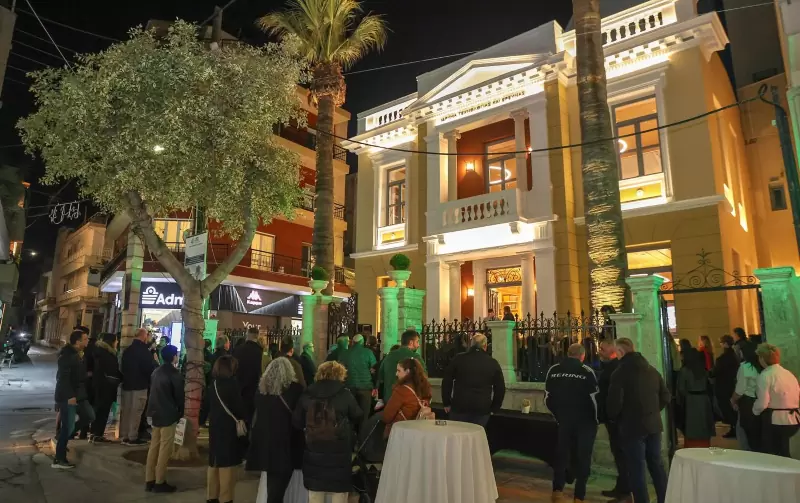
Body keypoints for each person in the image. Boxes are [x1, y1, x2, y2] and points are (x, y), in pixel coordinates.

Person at [607, 338, 669, 503]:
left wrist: (615, 418)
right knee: (656, 465)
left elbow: (614, 404)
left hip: (632, 427)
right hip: (653, 425)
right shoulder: (652, 370)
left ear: (620, 352)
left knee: (637, 469)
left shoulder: (619, 373)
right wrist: (652, 411)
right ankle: (665, 498)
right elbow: (665, 396)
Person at [293, 361, 363, 503]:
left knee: (315, 494)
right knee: (339, 493)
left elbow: (297, 421)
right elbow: (358, 415)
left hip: (314, 450)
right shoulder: (345, 394)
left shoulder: (307, 393)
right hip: (339, 450)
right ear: (340, 375)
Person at [544, 343, 599, 503]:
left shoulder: (553, 370)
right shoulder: (587, 371)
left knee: (561, 456)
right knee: (583, 457)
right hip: (585, 423)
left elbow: (547, 398)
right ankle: (579, 496)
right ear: (583, 356)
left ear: (568, 353)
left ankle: (557, 491)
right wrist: (596, 419)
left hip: (564, 421)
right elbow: (594, 399)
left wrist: (558, 416)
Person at [247, 358, 305, 503]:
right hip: (286, 446)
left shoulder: (261, 391)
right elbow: (300, 418)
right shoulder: (295, 390)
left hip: (265, 445)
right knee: (277, 491)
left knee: (273, 486)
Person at [442, 334, 505, 427]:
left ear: (471, 344)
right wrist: (494, 408)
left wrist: (446, 402)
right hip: (482, 408)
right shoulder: (492, 363)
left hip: (460, 406)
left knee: (458, 434)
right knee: (476, 434)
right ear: (485, 346)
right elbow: (500, 388)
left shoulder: (459, 359)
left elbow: (447, 380)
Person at [52, 330, 94, 469]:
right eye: (85, 339)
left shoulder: (80, 354)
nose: (88, 341)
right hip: (68, 396)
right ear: (77, 341)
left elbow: (78, 375)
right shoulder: (67, 356)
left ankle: (63, 436)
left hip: (80, 394)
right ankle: (59, 459)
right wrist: (70, 396)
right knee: (68, 427)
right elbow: (63, 379)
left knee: (89, 416)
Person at [144, 345, 183, 493]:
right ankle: (160, 481)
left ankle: (149, 479)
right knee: (165, 449)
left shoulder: (156, 372)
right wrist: (179, 412)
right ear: (173, 357)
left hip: (155, 412)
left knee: (154, 446)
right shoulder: (174, 374)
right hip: (168, 414)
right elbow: (179, 396)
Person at [208, 355, 247, 503]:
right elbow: (239, 409)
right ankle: (225, 499)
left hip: (214, 428)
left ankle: (212, 497)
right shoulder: (233, 385)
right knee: (227, 467)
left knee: (214, 463)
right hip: (228, 430)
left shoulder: (213, 384)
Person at [752, 343, 800, 457]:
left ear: (762, 358)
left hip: (776, 420)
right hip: (794, 419)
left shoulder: (765, 375)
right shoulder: (788, 373)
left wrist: (754, 411)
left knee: (774, 455)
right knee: (787, 454)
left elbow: (763, 402)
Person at [596, 339, 628, 501]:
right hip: (612, 418)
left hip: (617, 419)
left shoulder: (615, 369)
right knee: (618, 454)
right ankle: (621, 487)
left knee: (621, 454)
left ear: (613, 351)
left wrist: (612, 415)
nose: (599, 351)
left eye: (603, 349)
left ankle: (625, 490)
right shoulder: (609, 367)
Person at [121, 327, 158, 446]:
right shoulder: (144, 352)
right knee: (136, 411)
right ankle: (132, 437)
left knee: (127, 411)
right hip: (140, 385)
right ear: (143, 336)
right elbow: (150, 369)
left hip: (127, 385)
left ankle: (125, 435)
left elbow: (123, 367)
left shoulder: (127, 351)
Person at [382, 358, 432, 437]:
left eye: (399, 371)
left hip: (400, 433)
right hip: (416, 432)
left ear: (407, 371)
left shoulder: (401, 390)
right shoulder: (423, 387)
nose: (396, 374)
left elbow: (386, 417)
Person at [676, 348, 715, 448]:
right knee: (704, 425)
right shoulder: (703, 370)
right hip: (704, 399)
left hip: (691, 400)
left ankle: (692, 447)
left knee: (692, 427)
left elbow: (681, 389)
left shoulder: (685, 371)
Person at [377, 330, 426, 404]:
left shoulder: (389, 356)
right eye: (417, 342)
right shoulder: (416, 357)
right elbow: (424, 379)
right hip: (408, 401)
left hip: (389, 399)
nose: (418, 345)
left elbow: (380, 377)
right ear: (411, 342)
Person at [90, 333, 122, 443]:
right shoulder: (108, 354)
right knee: (103, 412)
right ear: (111, 342)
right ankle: (98, 435)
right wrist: (122, 377)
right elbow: (112, 371)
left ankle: (94, 433)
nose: (117, 342)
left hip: (98, 385)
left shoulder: (98, 351)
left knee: (97, 410)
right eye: (116, 340)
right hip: (106, 387)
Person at [339, 334, 377, 426]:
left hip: (349, 387)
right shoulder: (368, 352)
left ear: (353, 342)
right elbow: (374, 369)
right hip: (365, 387)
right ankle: (362, 433)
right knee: (364, 415)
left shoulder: (345, 353)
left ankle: (352, 433)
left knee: (351, 415)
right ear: (362, 342)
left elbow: (340, 370)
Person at [731, 342, 762, 451]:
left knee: (744, 433)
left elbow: (740, 390)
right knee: (757, 434)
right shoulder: (762, 366)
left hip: (747, 403)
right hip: (761, 401)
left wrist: (733, 400)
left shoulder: (745, 367)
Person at [230, 326, 264, 422]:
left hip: (238, 388)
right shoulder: (260, 352)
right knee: (250, 418)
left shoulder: (237, 350)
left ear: (247, 335)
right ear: (257, 336)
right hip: (253, 390)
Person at [712, 335, 739, 438]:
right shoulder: (734, 356)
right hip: (731, 384)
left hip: (723, 386)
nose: (720, 345)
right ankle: (734, 428)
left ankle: (733, 427)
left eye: (721, 343)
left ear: (725, 344)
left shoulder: (722, 358)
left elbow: (716, 372)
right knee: (731, 408)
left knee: (726, 408)